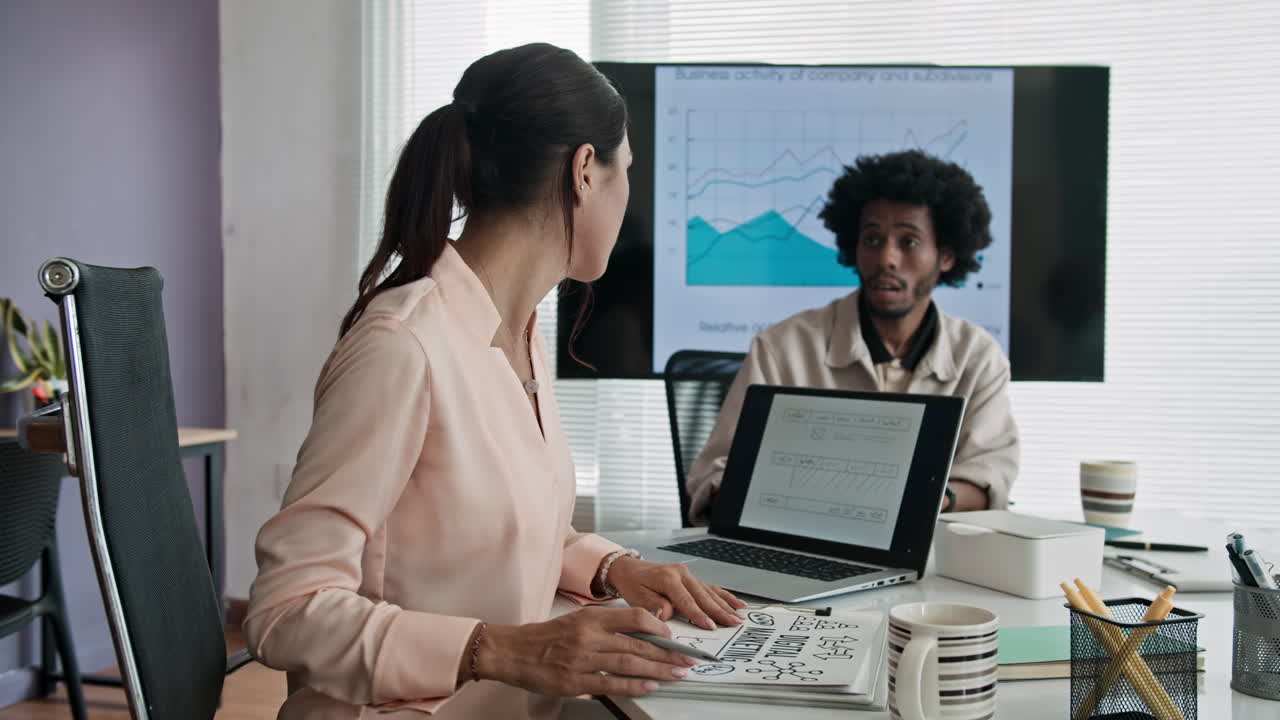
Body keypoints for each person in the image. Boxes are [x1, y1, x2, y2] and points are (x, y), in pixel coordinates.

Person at [245, 43, 745, 720]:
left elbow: (505, 527)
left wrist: (614, 568)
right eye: (629, 172)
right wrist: (501, 651)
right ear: (586, 172)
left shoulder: (521, 334)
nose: (629, 199)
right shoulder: (402, 348)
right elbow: (286, 610)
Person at [686, 150, 1020, 526]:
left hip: (931, 552)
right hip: (803, 540)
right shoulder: (783, 348)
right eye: (872, 239)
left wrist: (932, 500)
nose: (886, 259)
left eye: (908, 242)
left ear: (945, 256)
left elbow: (991, 476)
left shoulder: (977, 356)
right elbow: (713, 478)